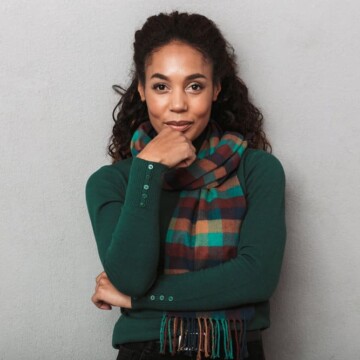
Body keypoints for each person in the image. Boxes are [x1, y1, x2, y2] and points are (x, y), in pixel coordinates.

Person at [85, 10, 286, 360]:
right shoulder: (111, 183)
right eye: (161, 86)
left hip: (234, 349)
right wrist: (148, 169)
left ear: (216, 89)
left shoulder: (257, 170)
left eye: (195, 86)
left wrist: (138, 300)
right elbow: (131, 276)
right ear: (143, 91)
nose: (178, 105)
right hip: (145, 350)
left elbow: (256, 278)